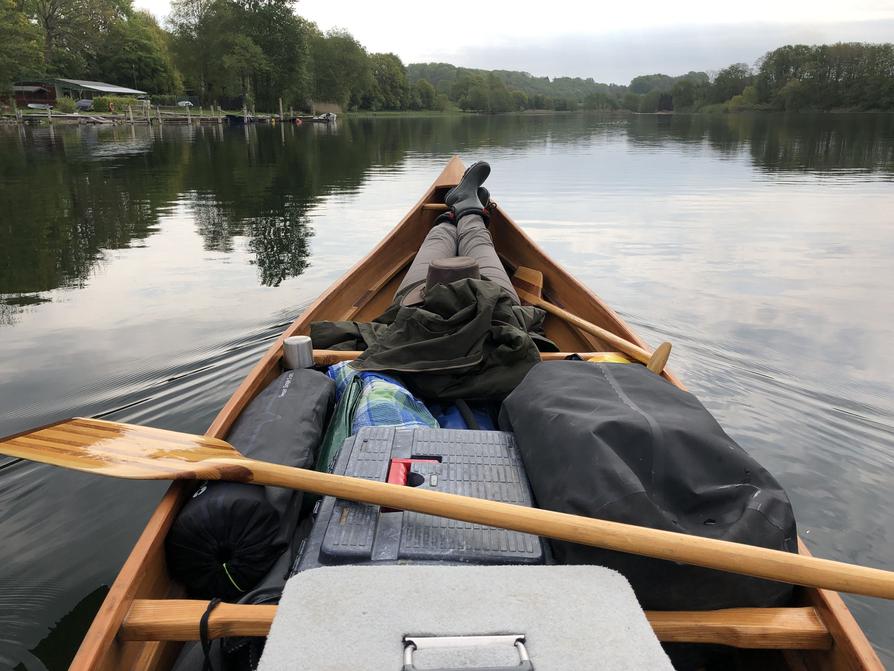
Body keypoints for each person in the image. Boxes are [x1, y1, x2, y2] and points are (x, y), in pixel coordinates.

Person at [310, 160, 555, 400]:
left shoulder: (397, 351)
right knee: (478, 242)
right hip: (493, 306)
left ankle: (457, 214)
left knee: (445, 242)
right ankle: (468, 209)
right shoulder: (511, 354)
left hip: (422, 303)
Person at [394, 161, 520, 306]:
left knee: (445, 237)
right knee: (476, 238)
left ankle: (457, 215)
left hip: (414, 312)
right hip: (498, 313)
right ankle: (465, 212)